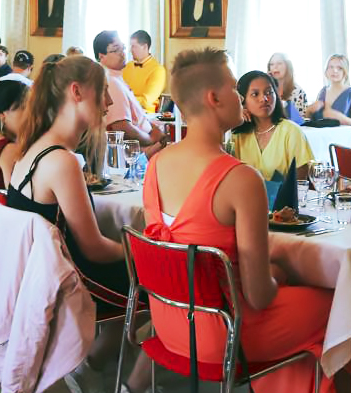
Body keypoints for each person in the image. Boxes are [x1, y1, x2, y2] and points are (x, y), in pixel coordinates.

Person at [143, 48, 337, 393]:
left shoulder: (156, 165)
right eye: (235, 88)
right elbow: (260, 296)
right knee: (338, 305)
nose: (240, 97)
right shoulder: (241, 179)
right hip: (223, 334)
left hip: (169, 322)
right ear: (214, 98)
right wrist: (277, 274)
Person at [6, 55, 152, 393]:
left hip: (37, 273)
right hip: (68, 279)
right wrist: (141, 251)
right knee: (163, 283)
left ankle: (99, 362)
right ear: (76, 92)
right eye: (103, 91)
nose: (109, 102)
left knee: (143, 272)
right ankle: (100, 368)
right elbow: (94, 249)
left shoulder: (32, 150)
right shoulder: (61, 161)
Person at [93, 31, 168, 154]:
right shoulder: (110, 82)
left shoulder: (117, 77)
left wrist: (154, 130)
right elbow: (121, 126)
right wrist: (151, 139)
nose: (122, 53)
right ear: (101, 56)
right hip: (139, 150)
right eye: (116, 50)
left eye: (123, 48)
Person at [230, 71, 312, 180]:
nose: (264, 99)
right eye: (255, 94)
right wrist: (233, 118)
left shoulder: (291, 131)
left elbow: (301, 181)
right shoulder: (237, 135)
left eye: (269, 92)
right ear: (242, 100)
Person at [306, 54, 351, 128]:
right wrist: (309, 111)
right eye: (331, 67)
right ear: (326, 71)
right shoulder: (322, 92)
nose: (335, 71)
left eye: (339, 68)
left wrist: (343, 119)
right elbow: (312, 121)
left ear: (345, 71)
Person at [121, 29, 166, 113]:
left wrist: (123, 98)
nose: (130, 50)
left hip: (145, 114)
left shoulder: (158, 70)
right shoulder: (127, 66)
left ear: (145, 47)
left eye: (134, 46)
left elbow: (146, 101)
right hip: (124, 111)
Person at [268, 52, 309, 120]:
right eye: (272, 64)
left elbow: (300, 119)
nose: (275, 67)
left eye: (279, 63)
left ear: (287, 66)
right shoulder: (267, 90)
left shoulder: (298, 91)